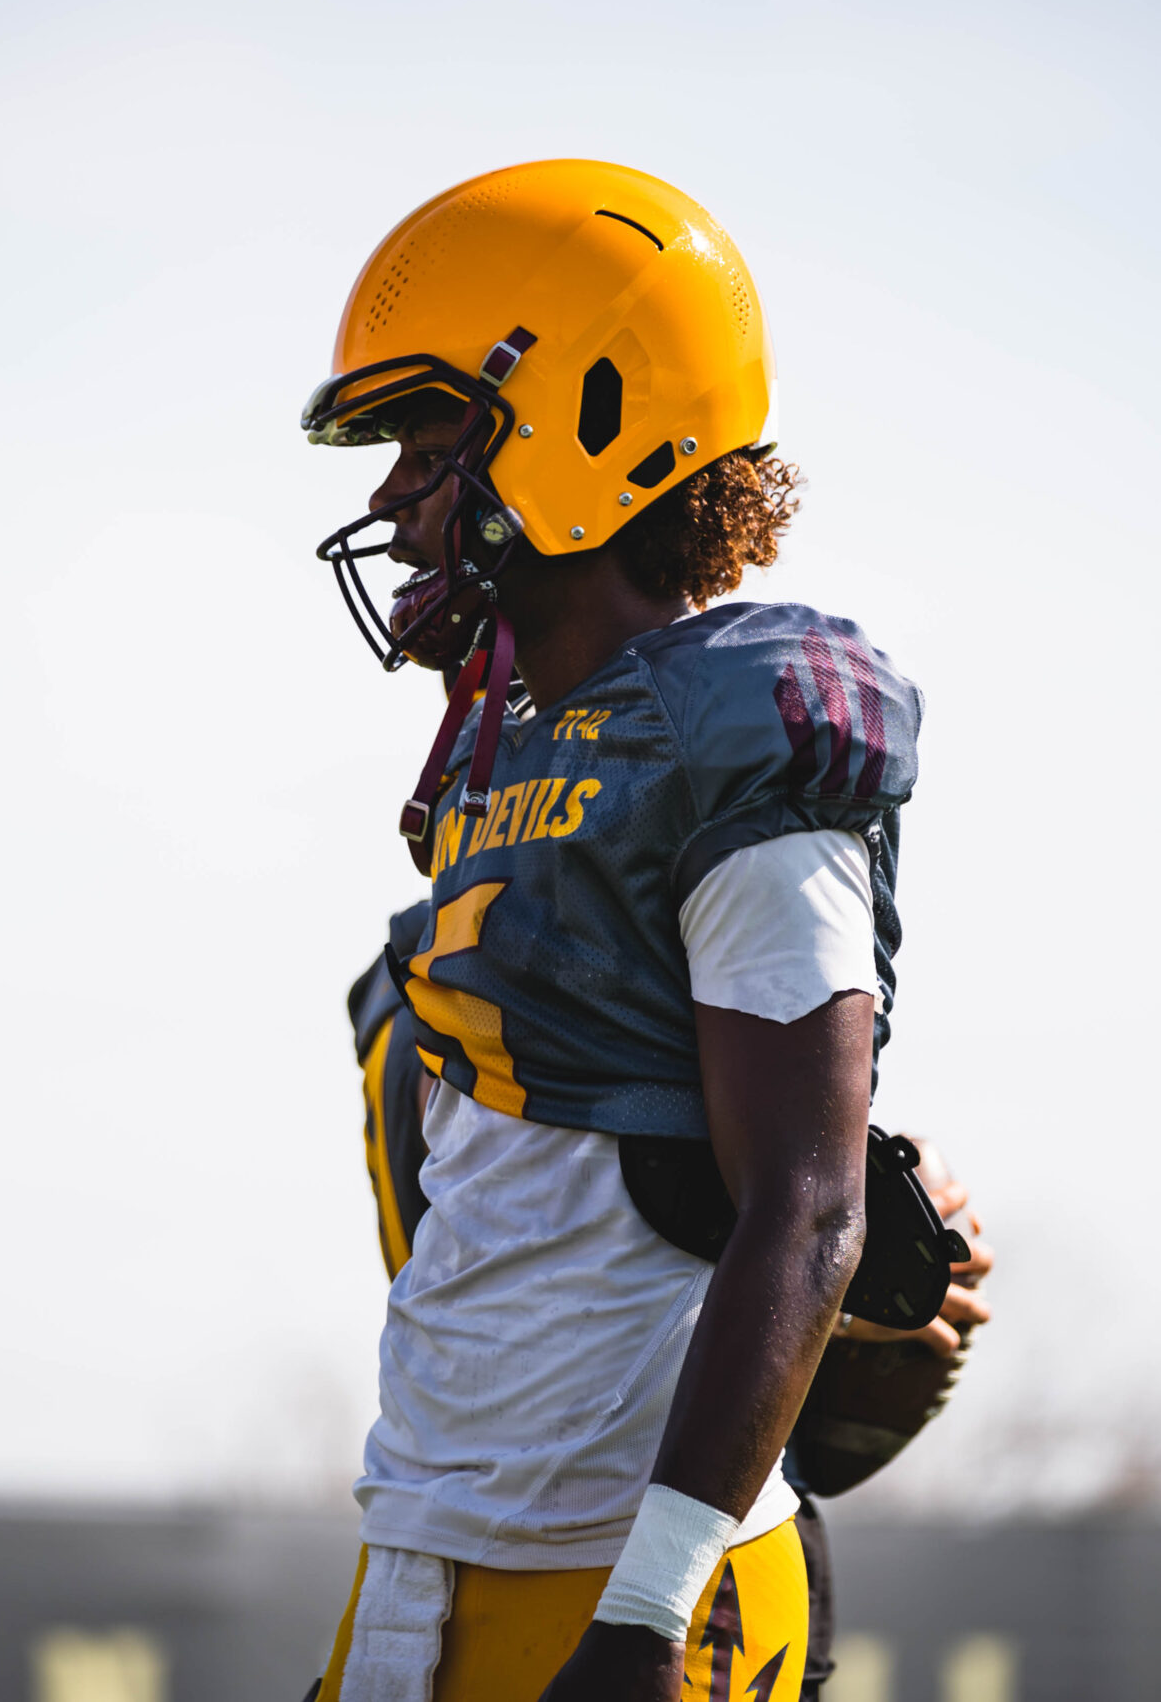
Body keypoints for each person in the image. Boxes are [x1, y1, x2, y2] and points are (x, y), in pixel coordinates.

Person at [301, 159, 933, 1702]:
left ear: (584, 419)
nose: (391, 495)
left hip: (618, 1578)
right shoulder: (516, 757)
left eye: (431, 441)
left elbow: (807, 1194)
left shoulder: (738, 735)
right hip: (429, 1540)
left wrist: (650, 1604)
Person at [346, 908, 993, 1700]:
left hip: (447, 1506)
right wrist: (831, 1276)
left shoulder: (429, 951)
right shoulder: (563, 922)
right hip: (636, 1505)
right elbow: (602, 1228)